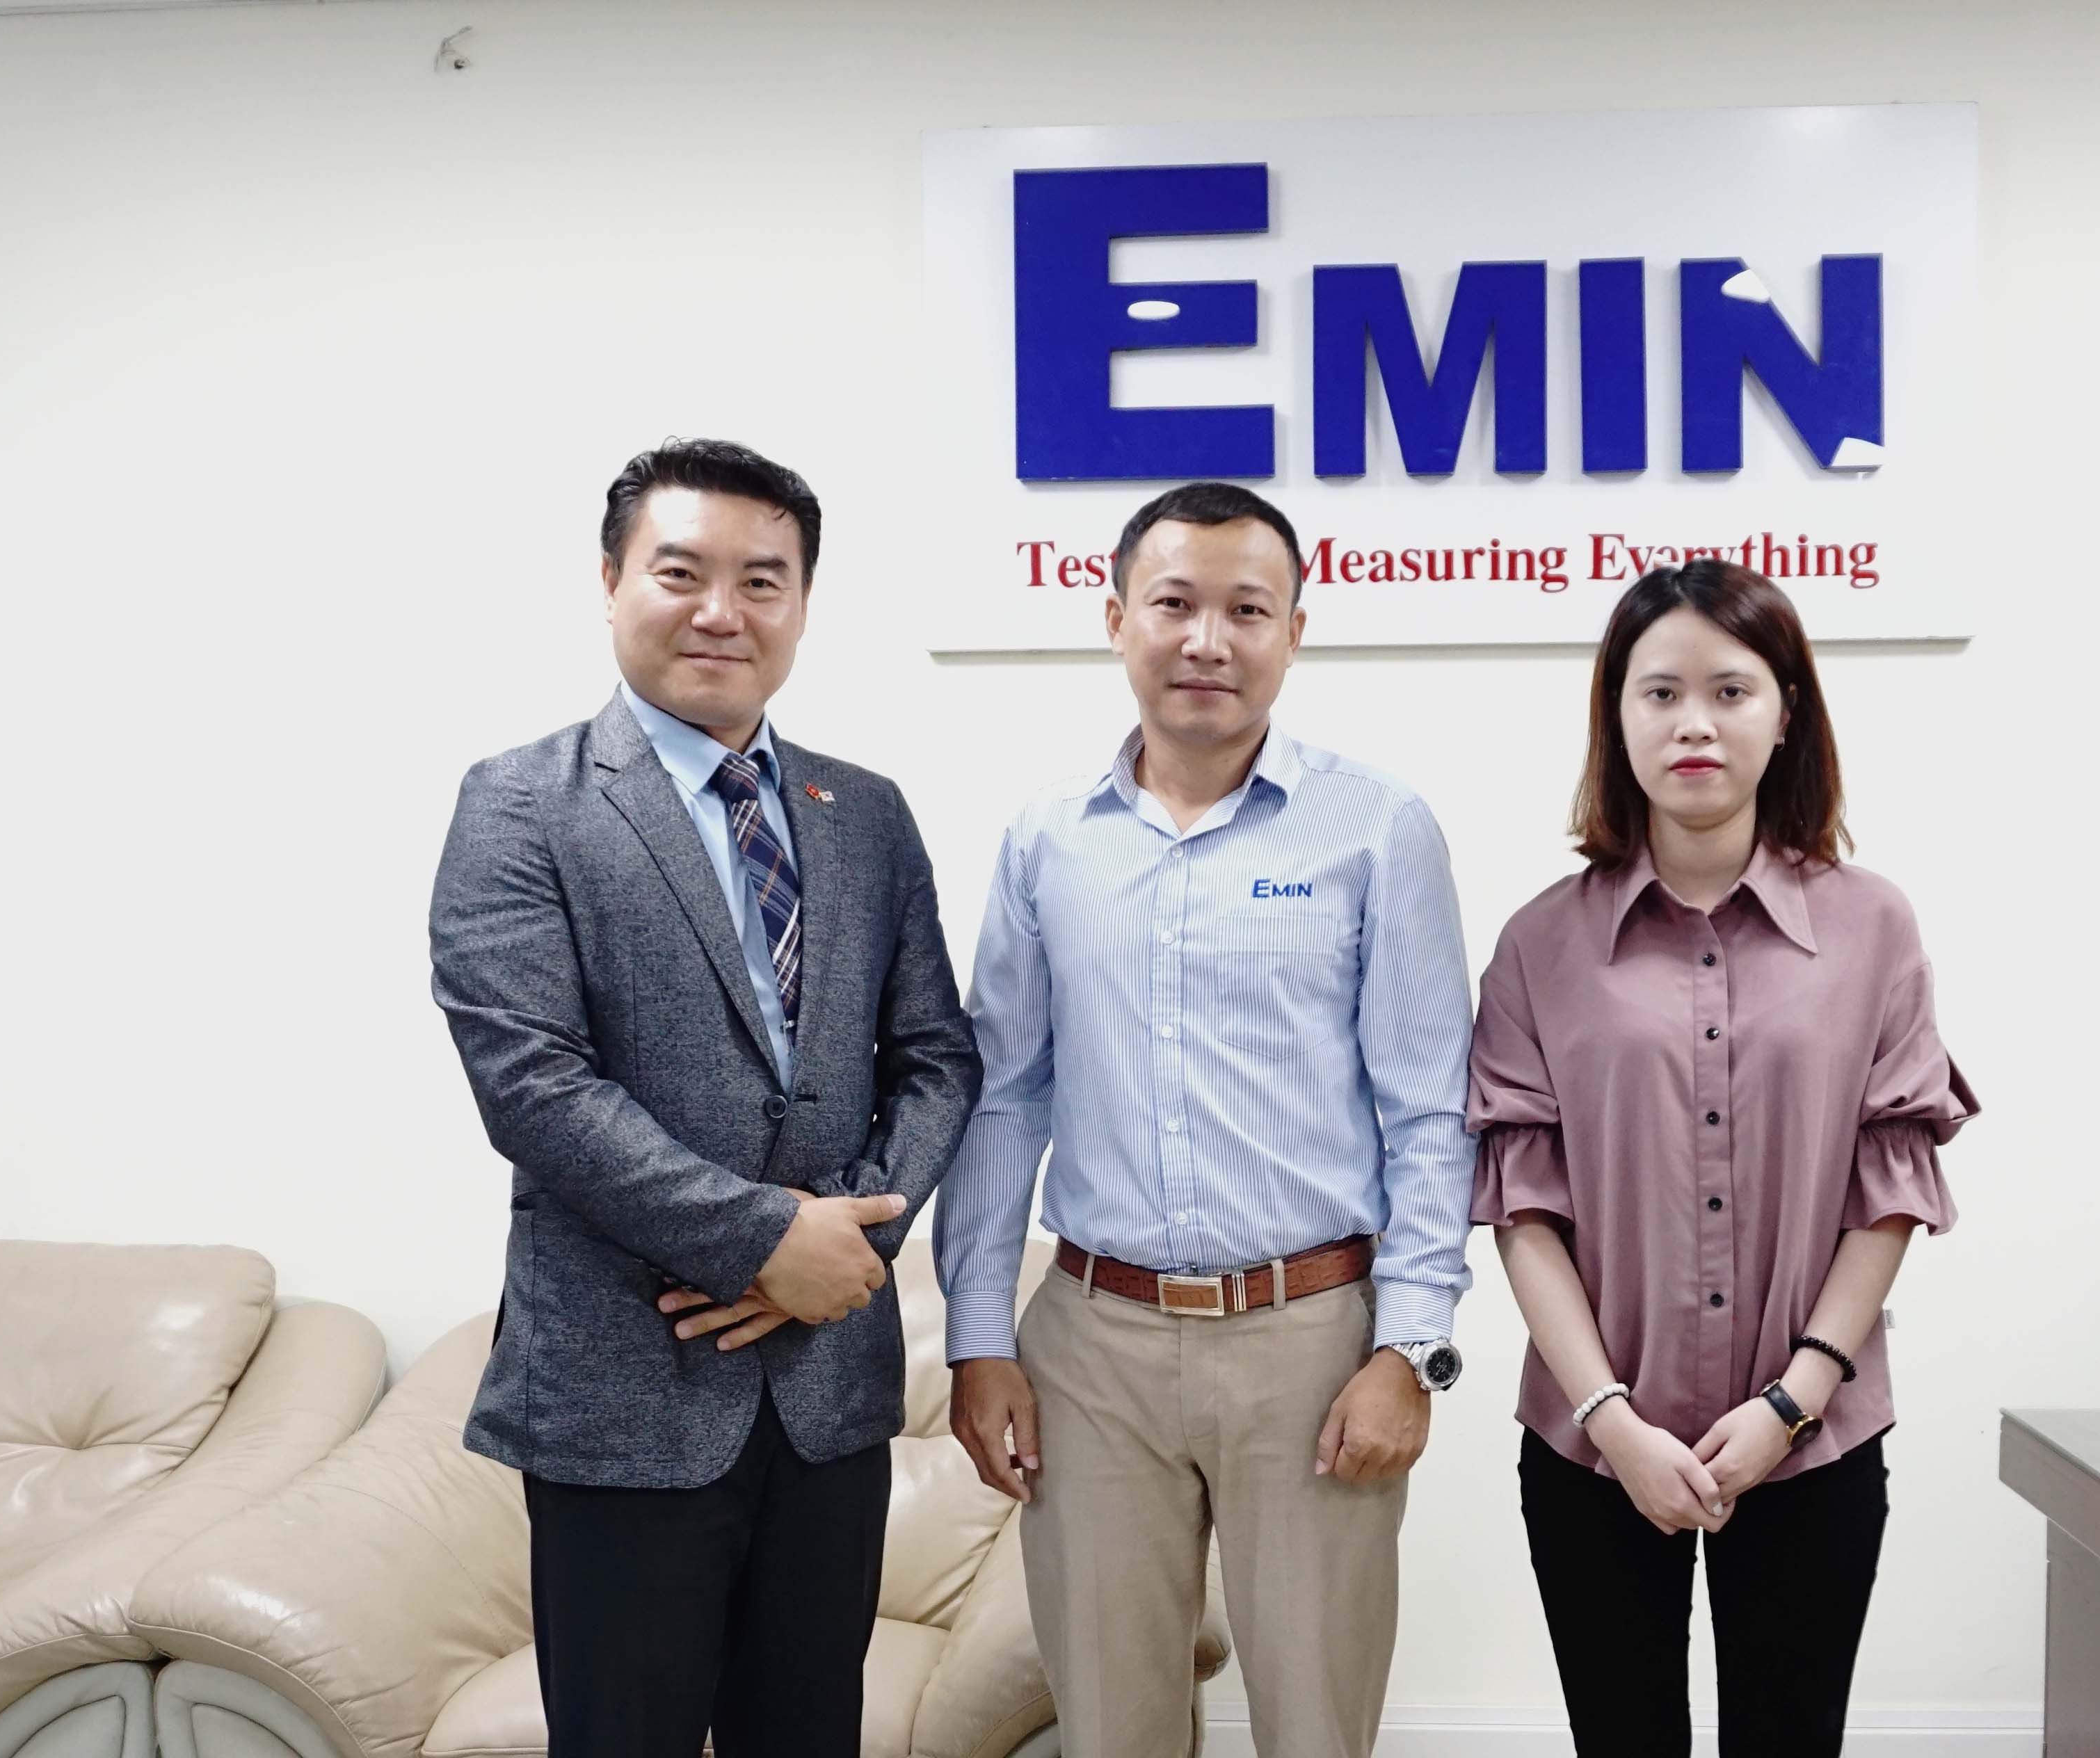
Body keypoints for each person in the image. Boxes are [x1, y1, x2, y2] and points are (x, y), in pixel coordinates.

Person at [428, 438, 981, 1757]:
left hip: (827, 1393)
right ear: (612, 581)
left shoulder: (865, 812)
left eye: (762, 581)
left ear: (802, 604)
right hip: (623, 1392)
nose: (722, 611)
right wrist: (762, 1240)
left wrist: (845, 1242)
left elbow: (936, 1057)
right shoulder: (521, 804)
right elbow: (533, 1084)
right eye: (681, 573)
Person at [932, 481, 1475, 1758]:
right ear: (1116, 617)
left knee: (1315, 1726)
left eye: (1247, 610)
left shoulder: (1376, 828)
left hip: (1313, 1342)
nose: (1207, 641)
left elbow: (1431, 1114)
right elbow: (1004, 1097)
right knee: (1111, 1729)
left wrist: (1411, 1349)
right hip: (1092, 1343)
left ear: (1296, 630)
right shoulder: (1047, 840)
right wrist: (977, 1340)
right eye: (1174, 604)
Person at [1470, 558, 1973, 1758]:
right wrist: (1613, 1422)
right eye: (1660, 693)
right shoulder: (1540, 943)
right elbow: (1522, 1210)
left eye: (1730, 691)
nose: (1693, 723)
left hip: (1814, 1440)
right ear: (1618, 717)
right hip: (1596, 1448)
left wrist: (1793, 1403)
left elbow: (1888, 1189)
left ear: (1785, 712)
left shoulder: (1873, 926)